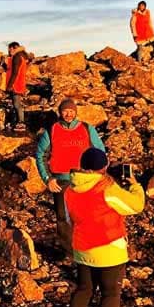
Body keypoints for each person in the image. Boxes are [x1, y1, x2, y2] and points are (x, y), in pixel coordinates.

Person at [59, 147, 145, 307]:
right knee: (110, 293)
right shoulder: (106, 188)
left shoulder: (70, 189)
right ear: (104, 166)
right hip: (108, 249)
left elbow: (69, 219)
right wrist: (135, 186)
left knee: (83, 290)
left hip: (82, 248)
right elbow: (135, 206)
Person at [36, 99, 105, 234]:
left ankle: (87, 243)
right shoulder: (51, 131)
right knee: (63, 218)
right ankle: (67, 245)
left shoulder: (86, 128)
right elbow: (40, 156)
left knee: (87, 216)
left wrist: (99, 176)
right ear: (60, 112)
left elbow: (100, 153)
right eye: (65, 111)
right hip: (61, 182)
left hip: (85, 180)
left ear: (76, 112)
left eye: (71, 111)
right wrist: (48, 179)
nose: (68, 114)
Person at [3, 42, 32, 131]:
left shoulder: (17, 57)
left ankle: (21, 123)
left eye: (9, 49)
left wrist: (10, 85)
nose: (9, 51)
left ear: (13, 48)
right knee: (16, 103)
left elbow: (15, 72)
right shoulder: (22, 56)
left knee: (16, 104)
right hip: (20, 82)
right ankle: (18, 121)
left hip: (16, 83)